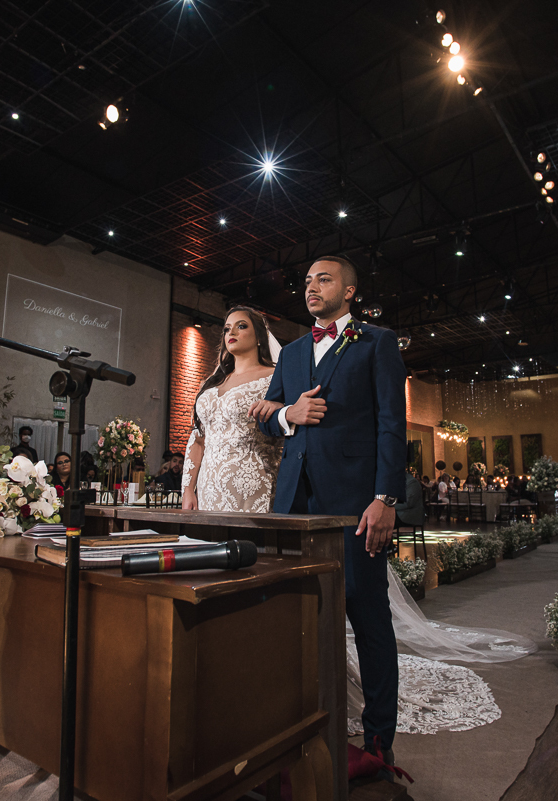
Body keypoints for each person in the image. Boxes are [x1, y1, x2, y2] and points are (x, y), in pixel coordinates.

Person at [251, 255, 405, 764]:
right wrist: (288, 415)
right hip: (294, 503)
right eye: (308, 280)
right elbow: (266, 418)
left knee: (368, 620)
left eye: (324, 279)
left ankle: (379, 740)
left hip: (356, 505)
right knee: (298, 619)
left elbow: (390, 425)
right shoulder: (293, 352)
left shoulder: (377, 342)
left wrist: (385, 498)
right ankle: (305, 730)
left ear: (351, 290)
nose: (311, 287)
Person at [181, 307, 281, 512]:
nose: (231, 333)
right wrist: (188, 489)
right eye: (227, 329)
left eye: (241, 326)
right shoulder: (211, 383)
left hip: (251, 483)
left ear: (259, 337)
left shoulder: (275, 377)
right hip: (208, 489)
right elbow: (198, 439)